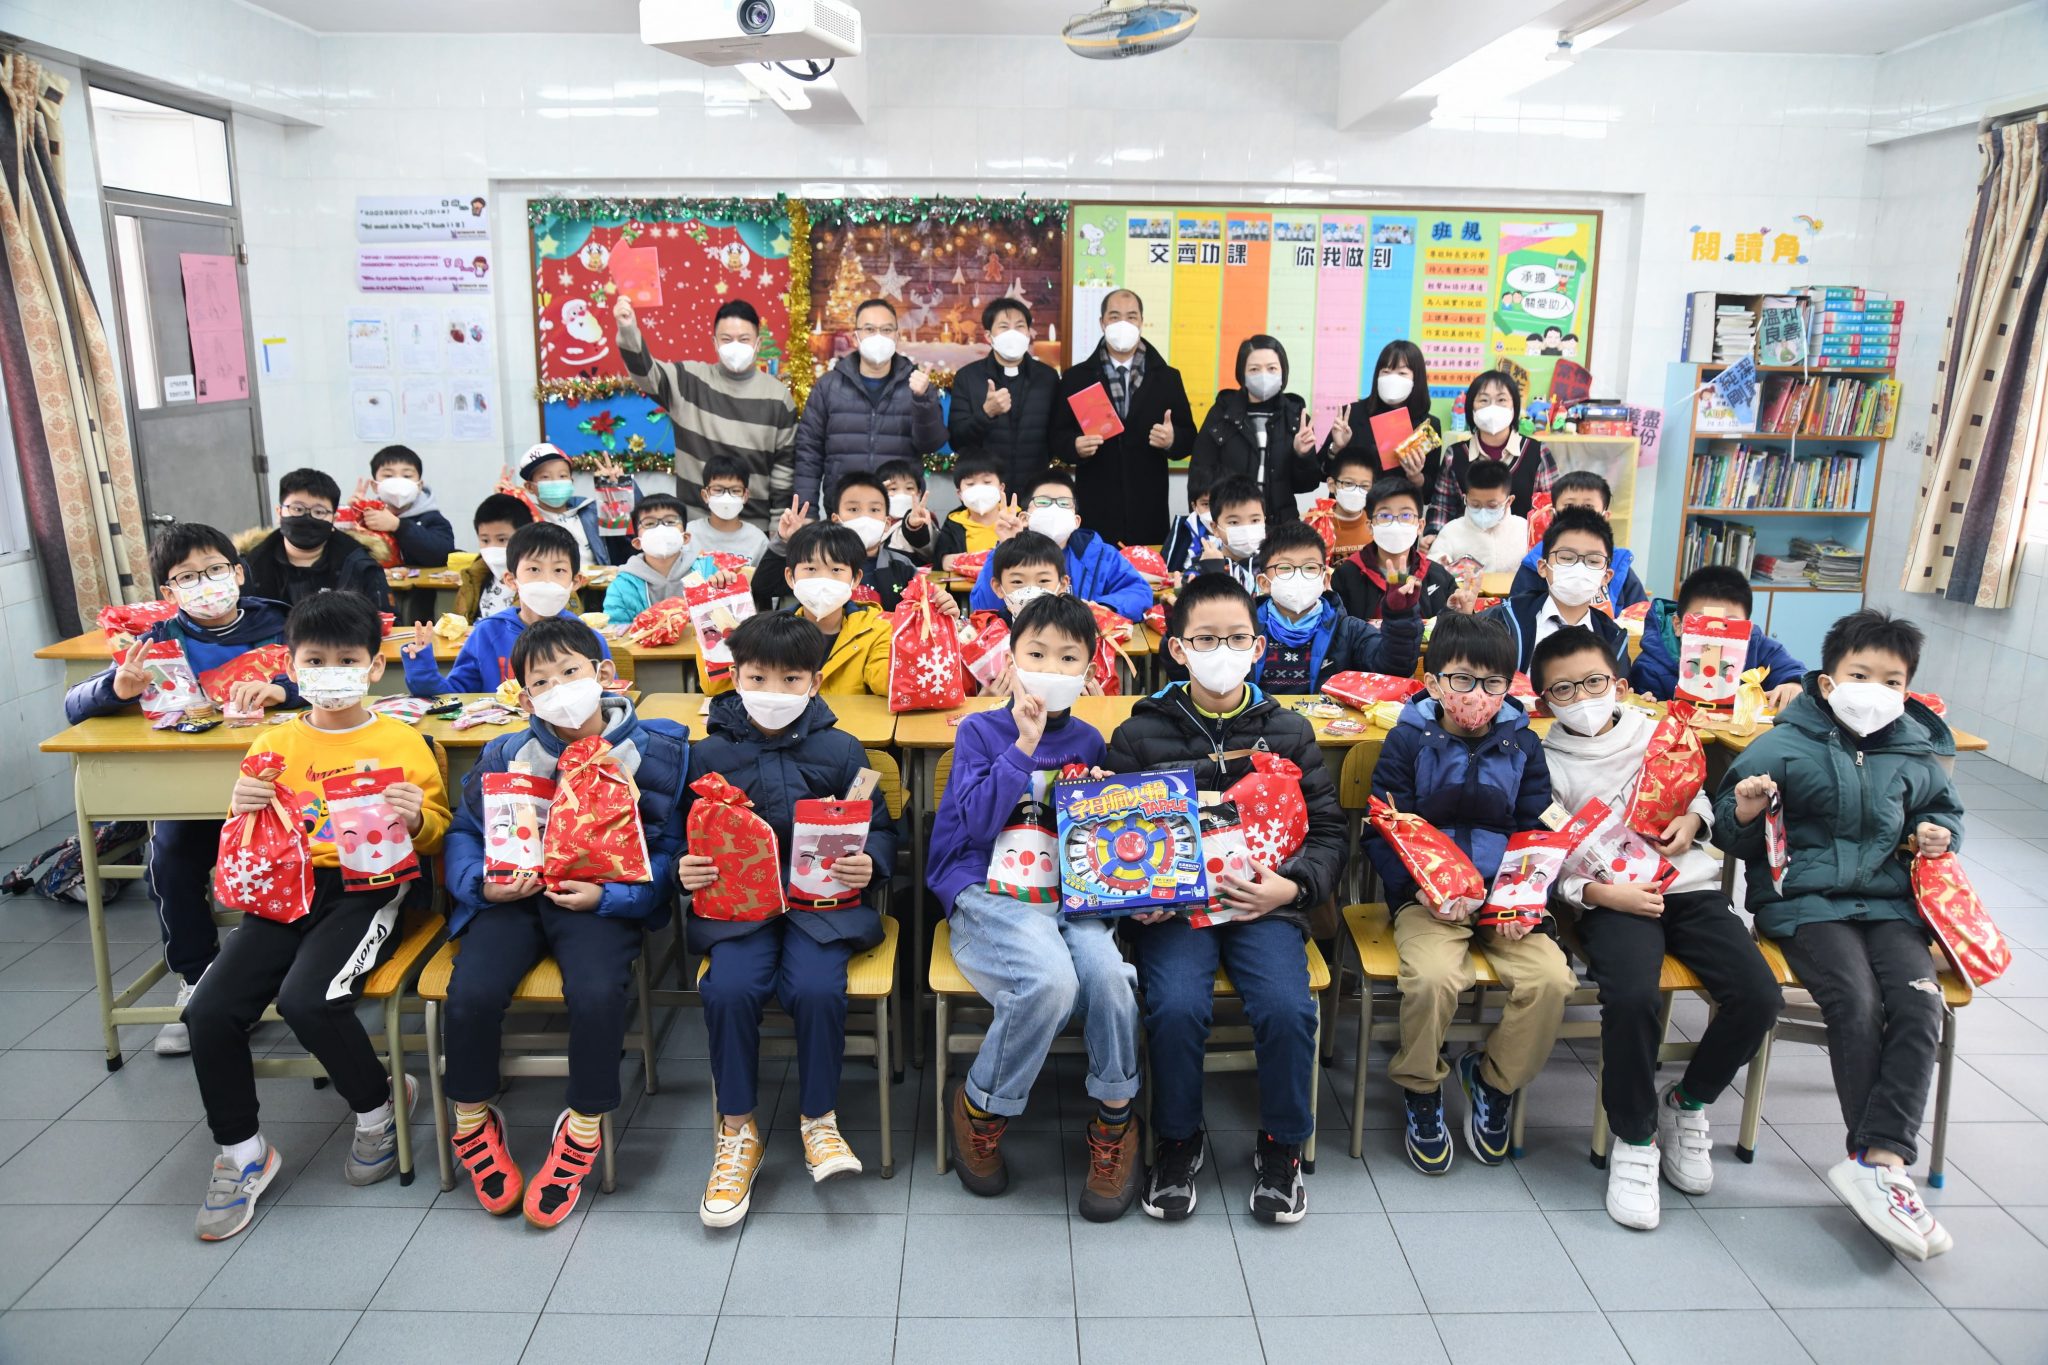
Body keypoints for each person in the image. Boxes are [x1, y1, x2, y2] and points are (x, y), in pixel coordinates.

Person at [186, 590, 450, 1241]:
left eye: (347, 659)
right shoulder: (274, 740)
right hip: (285, 890)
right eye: (315, 659)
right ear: (291, 664)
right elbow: (251, 836)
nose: (332, 672)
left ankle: (377, 1108)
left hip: (368, 887)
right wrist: (240, 804)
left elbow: (437, 832)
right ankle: (242, 1152)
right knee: (208, 1009)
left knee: (309, 999)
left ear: (374, 665)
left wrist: (417, 816)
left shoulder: (401, 739)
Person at [1713, 610, 1964, 1261]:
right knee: (1855, 999)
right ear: (1828, 682)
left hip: (1889, 907)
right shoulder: (1785, 743)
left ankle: (1881, 1161)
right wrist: (1746, 807)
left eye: (1892, 679)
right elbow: (1728, 829)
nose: (1875, 689)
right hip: (1805, 903)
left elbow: (1944, 811)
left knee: (1920, 1002)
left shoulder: (1913, 749)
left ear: (1907, 687)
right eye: (1860, 675)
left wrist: (1938, 834)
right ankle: (1877, 1164)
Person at [1106, 575, 1347, 1223]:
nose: (1222, 651)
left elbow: (1329, 831)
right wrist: (1136, 896)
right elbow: (1112, 836)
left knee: (1287, 1006)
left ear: (1258, 646)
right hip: (1176, 911)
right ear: (1178, 648)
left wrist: (1293, 885)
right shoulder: (1139, 734)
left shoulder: (1288, 730)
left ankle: (1282, 1144)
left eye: (1237, 638)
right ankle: (1177, 1139)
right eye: (1206, 639)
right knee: (1176, 1006)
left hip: (1264, 902)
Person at [1533, 626, 1782, 1230]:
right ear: (1544, 701)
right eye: (1564, 690)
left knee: (1758, 995)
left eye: (1593, 682)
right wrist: (1598, 894)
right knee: (1631, 996)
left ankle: (1687, 1102)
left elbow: (1695, 795)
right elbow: (1549, 858)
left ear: (1619, 684)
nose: (1582, 697)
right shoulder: (1545, 763)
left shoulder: (1657, 734)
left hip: (1688, 888)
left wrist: (1693, 822)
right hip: (1612, 900)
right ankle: (1635, 1137)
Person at [440, 617, 687, 1227]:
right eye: (541, 681)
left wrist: (610, 896)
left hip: (598, 901)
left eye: (570, 671)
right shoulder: (507, 753)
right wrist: (482, 886)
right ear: (525, 698)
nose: (559, 688)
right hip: (515, 898)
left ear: (603, 674)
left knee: (599, 994)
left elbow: (671, 854)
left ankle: (582, 1126)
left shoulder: (654, 753)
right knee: (471, 992)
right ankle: (472, 1118)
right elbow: (466, 831)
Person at [928, 595, 1144, 1217]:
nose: (1051, 668)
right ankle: (979, 1108)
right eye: (1037, 654)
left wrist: (1102, 806)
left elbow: (1101, 844)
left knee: (1109, 978)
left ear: (1090, 669)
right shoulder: (979, 731)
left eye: (1068, 658)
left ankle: (1115, 1120)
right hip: (989, 889)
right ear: (1012, 659)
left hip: (1070, 892)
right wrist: (1023, 745)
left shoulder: (1091, 741)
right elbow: (975, 827)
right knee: (1049, 982)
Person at [682, 612, 898, 1227]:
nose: (773, 692)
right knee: (728, 988)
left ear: (815, 681)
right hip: (738, 912)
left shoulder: (841, 749)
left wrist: (871, 861)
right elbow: (678, 835)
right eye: (758, 678)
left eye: (791, 679)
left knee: (816, 988)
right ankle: (736, 1130)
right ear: (735, 676)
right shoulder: (707, 752)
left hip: (819, 910)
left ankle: (818, 1120)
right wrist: (681, 867)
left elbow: (881, 828)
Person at [64, 523, 298, 1057]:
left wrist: (282, 689)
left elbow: (334, 675)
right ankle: (198, 979)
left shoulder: (283, 624)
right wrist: (117, 687)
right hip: (197, 791)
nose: (205, 583)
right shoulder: (157, 639)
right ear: (169, 591)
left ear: (238, 573)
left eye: (215, 570)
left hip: (284, 786)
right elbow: (74, 705)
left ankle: (294, 971)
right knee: (168, 856)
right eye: (187, 577)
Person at [1364, 611, 1576, 1175]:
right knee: (1434, 978)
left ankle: (1492, 1080)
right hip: (1430, 898)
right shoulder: (1407, 740)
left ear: (1510, 685)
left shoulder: (1523, 744)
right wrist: (1417, 890)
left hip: (1503, 898)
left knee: (1552, 979)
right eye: (1462, 679)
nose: (1477, 694)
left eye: (1492, 682)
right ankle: (1420, 1087)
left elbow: (1537, 830)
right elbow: (1384, 828)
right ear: (1433, 682)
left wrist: (1524, 900)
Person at [616, 296, 796, 527]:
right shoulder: (688, 381)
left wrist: (777, 535)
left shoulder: (778, 397)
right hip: (695, 527)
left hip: (754, 530)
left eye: (744, 339)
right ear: (715, 343)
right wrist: (628, 330)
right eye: (726, 339)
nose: (735, 346)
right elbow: (647, 375)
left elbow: (783, 474)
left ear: (758, 344)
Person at [1052, 289, 1195, 548]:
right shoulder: (1077, 378)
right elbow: (1057, 436)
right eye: (1115, 316)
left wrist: (1172, 440)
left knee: (1146, 570)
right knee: (1094, 568)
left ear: (1141, 322)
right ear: (1102, 323)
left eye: (1131, 317)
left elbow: (1189, 438)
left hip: (1148, 506)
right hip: (1096, 504)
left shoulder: (1167, 377)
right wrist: (1074, 446)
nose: (1123, 324)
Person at [402, 521, 610, 696]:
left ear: (576, 581)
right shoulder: (487, 633)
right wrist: (421, 667)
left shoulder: (587, 637)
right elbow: (453, 696)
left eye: (559, 570)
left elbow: (607, 697)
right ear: (511, 580)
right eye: (534, 569)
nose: (546, 580)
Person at [793, 297, 946, 510]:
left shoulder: (916, 384)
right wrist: (806, 511)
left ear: (897, 337)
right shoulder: (828, 386)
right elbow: (808, 453)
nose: (878, 336)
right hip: (845, 508)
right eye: (869, 329)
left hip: (899, 509)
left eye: (886, 330)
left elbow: (931, 444)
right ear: (855, 337)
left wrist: (922, 400)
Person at [1252, 520, 1421, 692]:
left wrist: (1400, 615)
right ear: (1264, 583)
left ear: (1324, 580)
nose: (1298, 575)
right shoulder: (1246, 631)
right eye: (1285, 567)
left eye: (1310, 567)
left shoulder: (1349, 632)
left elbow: (1393, 668)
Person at [967, 468, 1152, 620]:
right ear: (1024, 517)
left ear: (1076, 520)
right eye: (1043, 502)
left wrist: (1104, 607)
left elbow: (1139, 592)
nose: (1054, 508)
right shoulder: (1008, 550)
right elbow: (983, 607)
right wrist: (1006, 547)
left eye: (1064, 503)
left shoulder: (1100, 554)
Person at [1186, 334, 1323, 525]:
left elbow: (1307, 485)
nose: (1263, 375)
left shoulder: (1296, 418)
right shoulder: (1222, 414)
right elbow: (1199, 477)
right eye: (1254, 369)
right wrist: (1209, 526)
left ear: (1283, 372)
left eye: (1272, 368)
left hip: (1281, 527)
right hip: (1233, 525)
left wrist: (1302, 455)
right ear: (1242, 373)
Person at [1631, 565, 1806, 711]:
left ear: (1746, 627)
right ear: (1678, 625)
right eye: (1702, 622)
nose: (1715, 636)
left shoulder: (1755, 644)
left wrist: (1794, 684)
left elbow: (1792, 671)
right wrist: (1648, 706)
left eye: (1728, 624)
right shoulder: (1651, 667)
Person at [1482, 507, 1631, 676]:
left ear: (1606, 576)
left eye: (1593, 561)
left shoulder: (1613, 638)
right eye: (1566, 558)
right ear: (1542, 567)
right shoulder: (1505, 619)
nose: (1579, 568)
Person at [755, 472, 923, 612]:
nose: (864, 517)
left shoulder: (901, 566)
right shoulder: (812, 560)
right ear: (836, 519)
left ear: (887, 523)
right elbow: (763, 587)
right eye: (853, 509)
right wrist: (785, 541)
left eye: (874, 509)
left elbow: (922, 603)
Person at [241, 469, 393, 613]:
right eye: (297, 509)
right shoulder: (250, 567)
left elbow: (386, 621)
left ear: (334, 519)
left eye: (319, 512)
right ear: (279, 513)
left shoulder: (361, 565)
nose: (307, 517)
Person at [947, 297, 1059, 492]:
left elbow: (1055, 435)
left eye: (1020, 326)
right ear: (989, 336)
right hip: (986, 490)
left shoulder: (1047, 377)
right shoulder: (968, 377)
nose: (1013, 333)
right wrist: (986, 413)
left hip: (1034, 488)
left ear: (1028, 333)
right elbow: (957, 441)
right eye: (1004, 327)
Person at [1428, 371, 1556, 536]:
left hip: (1521, 547)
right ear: (1471, 407)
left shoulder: (1537, 452)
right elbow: (1442, 507)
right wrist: (1433, 535)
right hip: (1466, 548)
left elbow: (1550, 507)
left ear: (1514, 406)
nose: (1492, 407)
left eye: (1501, 400)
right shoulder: (1455, 455)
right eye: (1484, 400)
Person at [772, 521, 895, 694]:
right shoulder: (770, 632)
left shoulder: (876, 629)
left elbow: (890, 681)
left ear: (856, 579)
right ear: (790, 577)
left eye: (836, 570)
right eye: (811, 568)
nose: (824, 580)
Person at [1508, 471, 1647, 611]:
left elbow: (1641, 617)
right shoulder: (1534, 562)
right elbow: (1516, 614)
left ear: (1605, 517)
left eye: (1588, 508)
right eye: (1569, 507)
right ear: (1553, 515)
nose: (1578, 515)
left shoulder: (1619, 564)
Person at [1322, 340, 1444, 496]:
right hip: (1350, 507)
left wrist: (1416, 476)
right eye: (1385, 371)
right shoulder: (1351, 414)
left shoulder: (1429, 426)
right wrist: (1336, 449)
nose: (1392, 378)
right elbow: (1321, 473)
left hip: (1396, 507)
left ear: (1416, 379)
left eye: (1402, 373)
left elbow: (1430, 493)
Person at [1331, 476, 1462, 622]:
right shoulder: (1346, 575)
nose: (1395, 523)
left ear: (1420, 526)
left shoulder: (1438, 576)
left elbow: (1454, 628)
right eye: (1384, 515)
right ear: (1370, 526)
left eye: (1405, 515)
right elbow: (1338, 629)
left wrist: (1465, 615)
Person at [519, 442, 622, 569]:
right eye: (545, 477)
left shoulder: (592, 511)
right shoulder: (526, 520)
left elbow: (626, 537)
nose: (555, 482)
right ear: (530, 487)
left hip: (598, 580)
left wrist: (618, 490)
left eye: (562, 476)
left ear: (571, 482)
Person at [602, 494, 693, 624]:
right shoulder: (622, 586)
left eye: (671, 522)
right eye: (649, 523)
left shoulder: (706, 572)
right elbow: (615, 629)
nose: (661, 529)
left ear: (685, 537)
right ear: (637, 543)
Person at [1429, 460, 1529, 577]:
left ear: (1509, 501)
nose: (1483, 512)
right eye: (1475, 505)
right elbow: (1433, 564)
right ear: (1465, 499)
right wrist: (1441, 564)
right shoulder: (1451, 531)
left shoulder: (1524, 530)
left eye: (1492, 506)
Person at [363, 445, 455, 567]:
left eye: (407, 476)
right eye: (388, 476)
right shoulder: (367, 516)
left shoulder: (432, 518)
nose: (398, 481)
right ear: (375, 486)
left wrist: (398, 526)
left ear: (419, 486)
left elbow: (444, 556)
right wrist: (350, 519)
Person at [454, 493, 534, 622]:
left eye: (502, 539)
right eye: (485, 540)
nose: (492, 547)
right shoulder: (474, 578)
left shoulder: (540, 584)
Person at [683, 453, 771, 565]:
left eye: (735, 491)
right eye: (718, 490)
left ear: (745, 496)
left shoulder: (758, 541)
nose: (726, 497)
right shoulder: (689, 534)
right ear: (705, 495)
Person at [930, 454, 1012, 569]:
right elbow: (940, 558)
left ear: (1001, 488)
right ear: (960, 494)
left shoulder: (1017, 520)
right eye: (970, 484)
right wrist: (945, 560)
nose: (979, 490)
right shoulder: (954, 525)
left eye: (987, 482)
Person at [1191, 475, 1269, 593]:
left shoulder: (1273, 564)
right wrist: (1213, 569)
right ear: (1215, 528)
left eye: (1255, 520)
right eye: (1234, 522)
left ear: (1264, 521)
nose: (1246, 529)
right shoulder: (1202, 567)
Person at [876, 457, 939, 564]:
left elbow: (928, 547)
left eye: (909, 488)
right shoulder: (872, 520)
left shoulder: (924, 518)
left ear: (919, 493)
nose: (902, 494)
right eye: (893, 489)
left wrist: (914, 526)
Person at [1324, 450, 1377, 561]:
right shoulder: (1316, 524)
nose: (1356, 491)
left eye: (1364, 486)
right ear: (1332, 485)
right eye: (1348, 483)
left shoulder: (1377, 525)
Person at [1162, 489, 1214, 579]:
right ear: (1194, 506)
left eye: (1217, 504)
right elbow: (1165, 568)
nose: (1212, 510)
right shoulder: (1184, 526)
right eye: (1206, 504)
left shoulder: (1233, 531)